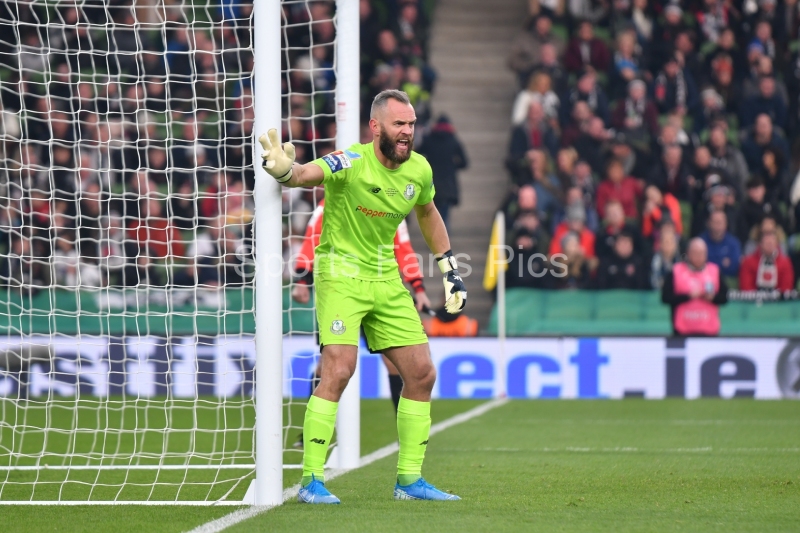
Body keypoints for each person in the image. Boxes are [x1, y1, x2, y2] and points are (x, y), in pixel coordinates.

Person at [258, 89, 465, 503]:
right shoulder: (349, 161)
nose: (407, 133)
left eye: (410, 125)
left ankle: (408, 480)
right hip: (340, 274)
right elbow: (303, 175)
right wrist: (284, 171)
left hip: (385, 278)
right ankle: (311, 479)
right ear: (376, 127)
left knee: (422, 372)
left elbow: (427, 213)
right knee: (338, 369)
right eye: (398, 125)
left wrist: (448, 269)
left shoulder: (419, 170)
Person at [290, 198, 431, 433]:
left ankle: (404, 429)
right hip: (340, 292)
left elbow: (403, 246)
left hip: (379, 290)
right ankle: (310, 432)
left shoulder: (390, 202)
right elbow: (313, 236)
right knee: (328, 365)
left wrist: (418, 287)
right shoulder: (331, 202)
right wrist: (302, 280)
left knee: (395, 363)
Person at [661, 238, 728, 337]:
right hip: (682, 332)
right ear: (688, 253)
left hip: (709, 332)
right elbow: (665, 297)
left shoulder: (715, 271)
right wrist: (687, 296)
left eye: (701, 253)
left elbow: (725, 297)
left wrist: (712, 297)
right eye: (695, 253)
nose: (698, 257)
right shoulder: (676, 271)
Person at [417, 115, 469, 228]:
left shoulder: (429, 139)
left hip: (432, 182)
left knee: (432, 212)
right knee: (444, 216)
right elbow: (465, 162)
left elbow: (416, 154)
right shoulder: (453, 140)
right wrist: (453, 166)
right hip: (448, 184)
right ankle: (444, 242)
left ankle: (433, 239)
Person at [700, 210, 742, 279]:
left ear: (726, 224)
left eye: (720, 223)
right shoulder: (701, 242)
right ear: (709, 223)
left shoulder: (734, 243)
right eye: (715, 222)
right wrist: (722, 263)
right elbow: (698, 265)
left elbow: (735, 267)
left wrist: (710, 263)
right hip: (704, 279)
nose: (717, 226)